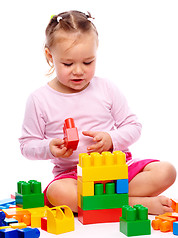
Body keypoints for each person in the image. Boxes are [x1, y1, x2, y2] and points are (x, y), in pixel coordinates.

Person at [19, 10, 176, 215]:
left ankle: (109, 202)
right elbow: (26, 145)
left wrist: (111, 139)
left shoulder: (106, 88)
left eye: (88, 62)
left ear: (96, 52)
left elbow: (133, 126)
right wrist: (49, 147)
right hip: (73, 176)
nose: (78, 71)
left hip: (118, 168)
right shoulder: (39, 99)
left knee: (166, 171)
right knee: (57, 193)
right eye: (68, 63)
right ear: (50, 56)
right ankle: (137, 204)